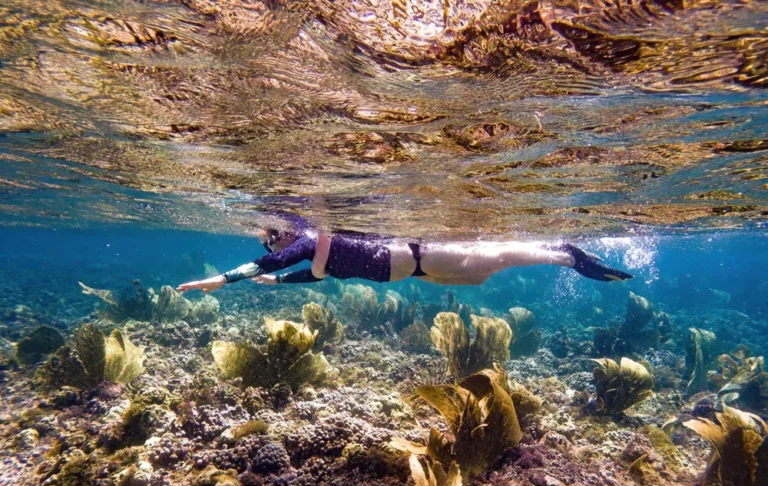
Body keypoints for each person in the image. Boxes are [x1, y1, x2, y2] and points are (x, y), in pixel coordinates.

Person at [177, 224, 632, 293]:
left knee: (499, 260)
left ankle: (570, 257)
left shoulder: (309, 238)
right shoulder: (316, 253)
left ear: (280, 236)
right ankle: (567, 258)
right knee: (488, 271)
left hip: (426, 257)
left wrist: (223, 279)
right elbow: (315, 276)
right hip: (423, 268)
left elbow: (284, 260)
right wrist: (281, 284)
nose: (270, 251)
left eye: (268, 243)